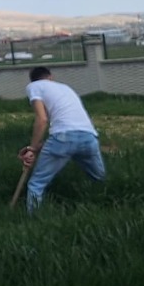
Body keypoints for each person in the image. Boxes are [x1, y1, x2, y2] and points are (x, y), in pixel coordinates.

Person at [19, 68, 105, 211]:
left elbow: (42, 119)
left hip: (63, 139)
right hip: (89, 137)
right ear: (50, 77)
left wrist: (32, 149)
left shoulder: (33, 87)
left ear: (33, 79)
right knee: (99, 179)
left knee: (36, 184)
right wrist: (39, 146)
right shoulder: (65, 88)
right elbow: (66, 124)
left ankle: (33, 219)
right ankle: (104, 206)